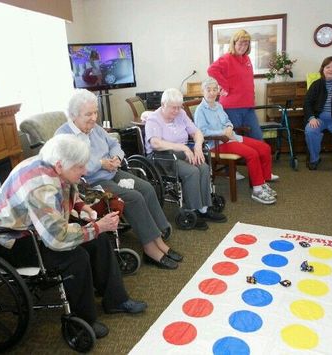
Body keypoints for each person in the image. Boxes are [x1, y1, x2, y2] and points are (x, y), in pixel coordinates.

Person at [0, 135, 147, 339]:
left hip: (35, 229)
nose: (84, 171)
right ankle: (83, 320)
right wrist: (98, 227)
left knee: (99, 240)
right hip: (7, 241)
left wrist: (82, 206)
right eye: (80, 167)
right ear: (60, 165)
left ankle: (116, 300)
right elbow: (57, 239)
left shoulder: (53, 164)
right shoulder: (40, 187)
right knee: (75, 258)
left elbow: (68, 188)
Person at [55, 89, 182, 270]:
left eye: (95, 112)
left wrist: (116, 158)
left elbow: (114, 144)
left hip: (112, 172)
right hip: (90, 183)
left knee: (146, 188)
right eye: (88, 114)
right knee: (134, 197)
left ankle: (159, 239)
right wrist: (101, 163)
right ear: (74, 115)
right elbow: (72, 166)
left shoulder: (95, 129)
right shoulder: (64, 136)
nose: (93, 118)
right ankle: (150, 249)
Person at [144, 88, 227, 230]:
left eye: (179, 107)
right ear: (163, 105)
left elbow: (197, 132)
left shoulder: (181, 114)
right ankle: (192, 210)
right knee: (191, 172)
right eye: (173, 108)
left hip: (181, 151)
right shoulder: (154, 119)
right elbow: (156, 144)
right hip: (161, 157)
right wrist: (183, 148)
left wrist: (198, 146)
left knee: (203, 166)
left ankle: (204, 209)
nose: (176, 111)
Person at [195, 77, 278, 204]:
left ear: (218, 91)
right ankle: (257, 190)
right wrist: (222, 132)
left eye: (214, 89)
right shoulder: (200, 111)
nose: (212, 93)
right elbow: (202, 132)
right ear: (203, 91)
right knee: (252, 154)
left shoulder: (219, 106)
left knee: (264, 148)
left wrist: (229, 127)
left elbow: (227, 121)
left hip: (232, 137)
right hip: (217, 143)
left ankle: (263, 182)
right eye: (208, 90)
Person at [207, 29, 263, 141]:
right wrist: (225, 86)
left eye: (246, 44)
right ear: (234, 43)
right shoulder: (226, 58)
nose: (243, 47)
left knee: (257, 137)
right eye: (240, 43)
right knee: (236, 139)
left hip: (248, 106)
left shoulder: (247, 59)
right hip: (232, 107)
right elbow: (211, 70)